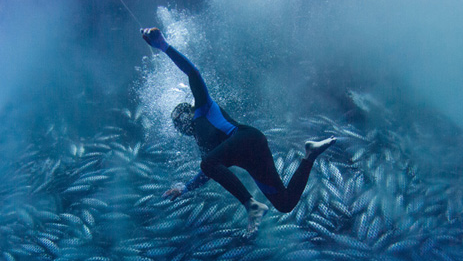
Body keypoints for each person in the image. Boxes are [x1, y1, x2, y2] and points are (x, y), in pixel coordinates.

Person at [141, 27, 336, 235]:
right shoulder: (205, 147)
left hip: (247, 138)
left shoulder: (203, 107)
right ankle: (310, 155)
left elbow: (193, 73)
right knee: (285, 204)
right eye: (178, 127)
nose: (181, 127)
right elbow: (206, 173)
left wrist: (163, 46)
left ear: (187, 112)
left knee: (207, 163)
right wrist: (185, 189)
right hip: (253, 154)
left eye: (179, 121)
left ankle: (251, 206)